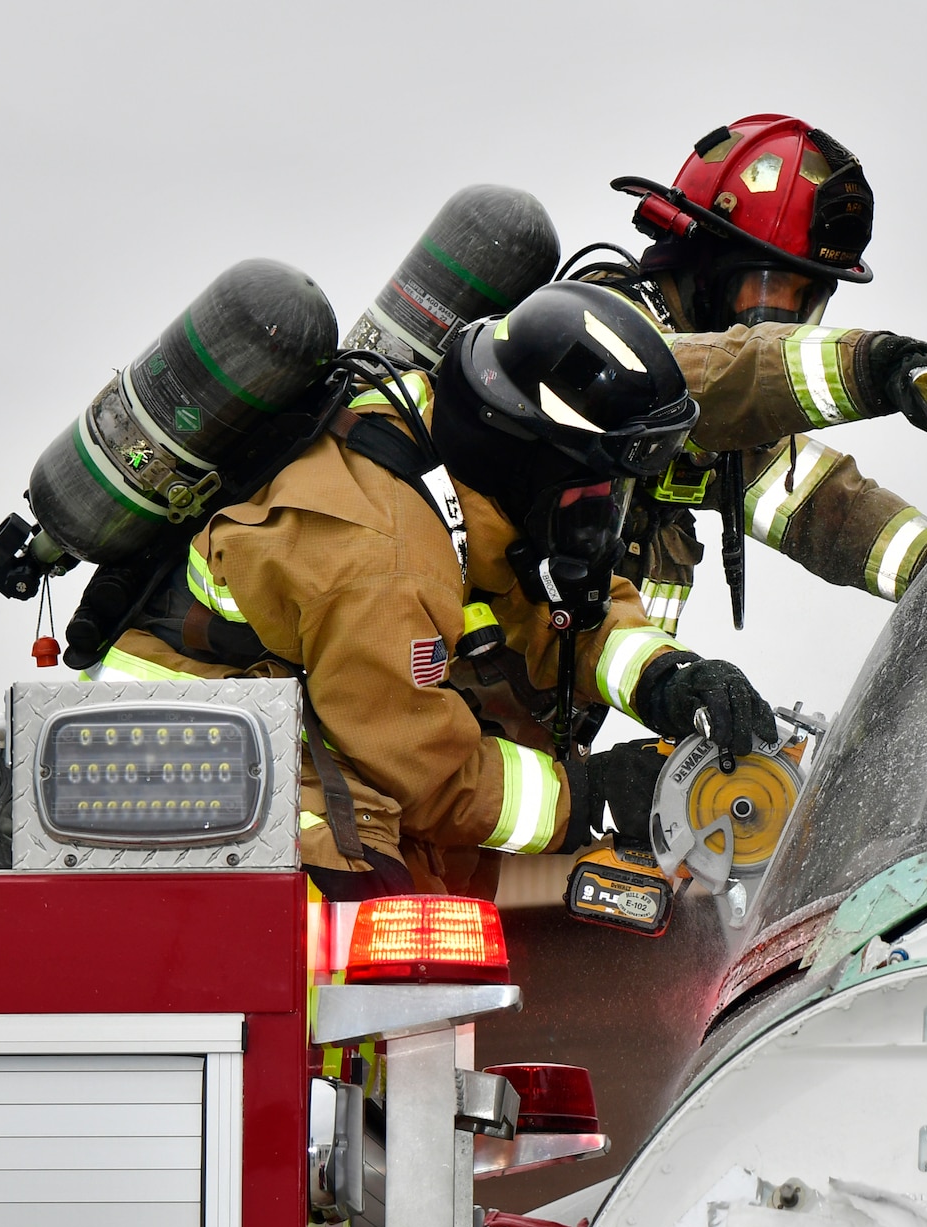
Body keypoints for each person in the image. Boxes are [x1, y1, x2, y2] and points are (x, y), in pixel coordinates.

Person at [89, 284, 786, 898]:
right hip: (170, 757)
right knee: (380, 909)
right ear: (535, 462)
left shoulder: (449, 447)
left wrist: (669, 678)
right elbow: (427, 775)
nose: (606, 510)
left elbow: (542, 605)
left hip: (286, 712)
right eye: (599, 486)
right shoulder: (384, 559)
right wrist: (591, 797)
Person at [573, 114, 927, 630]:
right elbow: (706, 373)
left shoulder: (711, 429)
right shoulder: (595, 332)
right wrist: (876, 365)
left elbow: (827, 510)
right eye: (776, 287)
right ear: (708, 265)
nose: (787, 320)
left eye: (809, 298)